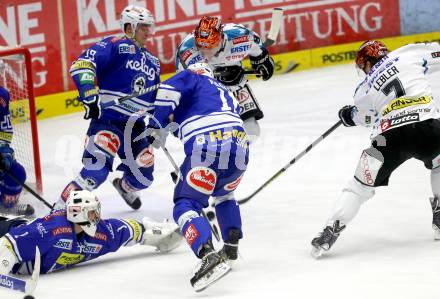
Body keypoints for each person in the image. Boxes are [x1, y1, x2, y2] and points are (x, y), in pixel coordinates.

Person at [311, 40, 440, 258]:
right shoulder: (409, 53)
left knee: (358, 187)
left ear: (368, 62)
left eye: (363, 66)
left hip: (388, 138)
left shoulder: (363, 89)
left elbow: (365, 117)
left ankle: (330, 231)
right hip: (430, 129)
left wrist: (348, 116)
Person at [147, 63, 249, 291]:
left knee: (185, 203)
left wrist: (155, 125)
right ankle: (231, 246)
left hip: (208, 146)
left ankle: (207, 253)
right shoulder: (221, 90)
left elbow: (167, 93)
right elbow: (184, 120)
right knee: (224, 194)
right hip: (240, 149)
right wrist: (164, 127)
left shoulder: (191, 77)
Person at [55, 5, 161, 211]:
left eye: (150, 27)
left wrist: (157, 124)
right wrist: (88, 93)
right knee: (96, 171)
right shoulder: (114, 44)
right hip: (108, 122)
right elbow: (83, 64)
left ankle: (124, 187)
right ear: (129, 27)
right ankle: (58, 210)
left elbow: (154, 100)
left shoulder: (153, 62)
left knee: (143, 178)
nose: (149, 32)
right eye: (144, 27)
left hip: (136, 128)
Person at [0, 190, 182, 275]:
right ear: (79, 213)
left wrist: (157, 235)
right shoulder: (52, 229)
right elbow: (9, 243)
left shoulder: (101, 233)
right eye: (93, 212)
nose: (98, 217)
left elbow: (128, 230)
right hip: (9, 230)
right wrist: (4, 264)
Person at [175, 16, 275, 142]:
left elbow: (258, 48)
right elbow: (186, 85)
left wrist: (261, 61)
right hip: (208, 92)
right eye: (201, 46)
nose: (205, 52)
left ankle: (237, 156)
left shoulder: (241, 37)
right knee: (215, 133)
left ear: (220, 39)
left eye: (210, 46)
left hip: (236, 83)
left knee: (252, 131)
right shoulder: (186, 51)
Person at [0, 86, 34, 216]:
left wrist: (4, 152)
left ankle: (5, 207)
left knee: (17, 172)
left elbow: (4, 129)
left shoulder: (1, 96)